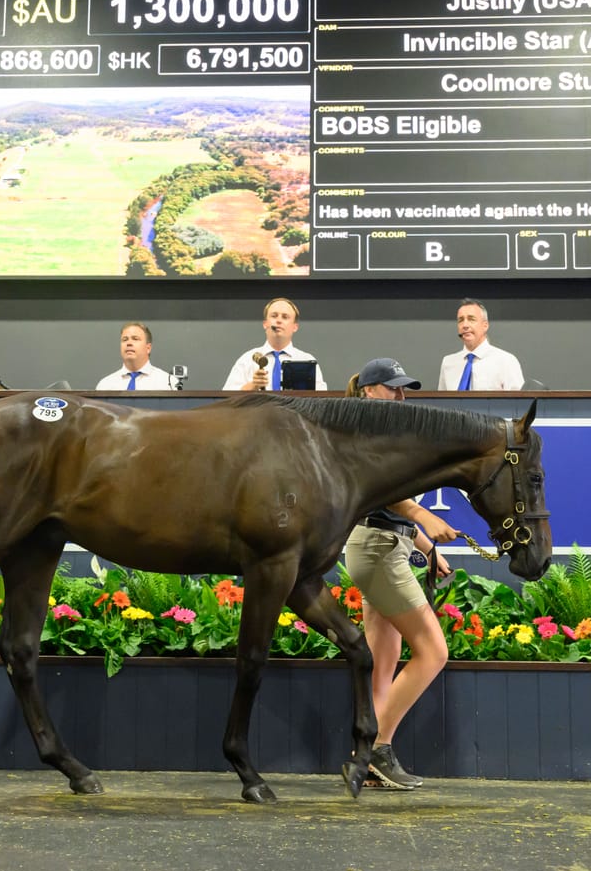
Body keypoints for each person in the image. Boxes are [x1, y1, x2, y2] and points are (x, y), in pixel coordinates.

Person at [340, 357, 458, 789]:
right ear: (369, 391)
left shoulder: (378, 431)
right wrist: (424, 517)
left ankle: (366, 761)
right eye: (393, 388)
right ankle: (376, 750)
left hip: (382, 545)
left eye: (404, 388)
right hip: (378, 549)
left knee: (383, 664)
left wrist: (426, 547)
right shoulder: (365, 432)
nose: (402, 396)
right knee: (433, 652)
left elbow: (393, 511)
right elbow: (386, 493)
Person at [222, 297, 328, 391]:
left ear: (295, 327)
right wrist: (253, 385)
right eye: (274, 316)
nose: (278, 320)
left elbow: (322, 399)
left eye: (285, 317)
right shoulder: (247, 359)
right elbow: (227, 399)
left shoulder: (307, 360)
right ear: (265, 324)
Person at [436, 298, 524, 391]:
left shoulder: (505, 361)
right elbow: (441, 399)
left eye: (471, 319)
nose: (465, 325)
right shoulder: (448, 362)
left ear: (485, 325)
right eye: (461, 320)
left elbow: (518, 399)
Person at [94, 322, 173, 390]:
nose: (129, 343)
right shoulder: (105, 385)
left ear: (148, 348)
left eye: (135, 339)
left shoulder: (168, 383)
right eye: (125, 339)